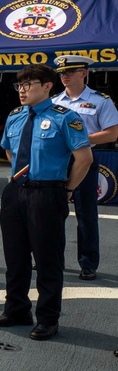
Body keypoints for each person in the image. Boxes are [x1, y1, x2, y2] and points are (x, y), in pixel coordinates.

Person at [0, 63, 92, 341]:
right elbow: (10, 152)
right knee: (15, 257)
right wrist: (23, 175)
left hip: (47, 194)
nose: (22, 91)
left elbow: (84, 159)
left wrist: (67, 190)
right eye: (19, 86)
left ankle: (48, 319)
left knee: (47, 259)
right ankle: (16, 310)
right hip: (15, 192)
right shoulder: (14, 117)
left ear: (47, 86)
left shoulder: (65, 118)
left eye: (29, 85)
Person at [51, 54, 118, 280]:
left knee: (86, 213)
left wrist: (83, 139)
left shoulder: (101, 101)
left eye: (69, 72)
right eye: (61, 73)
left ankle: (88, 263)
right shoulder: (53, 102)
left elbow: (112, 132)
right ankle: (50, 258)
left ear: (84, 73)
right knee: (52, 211)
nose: (64, 76)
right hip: (58, 159)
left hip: (84, 158)